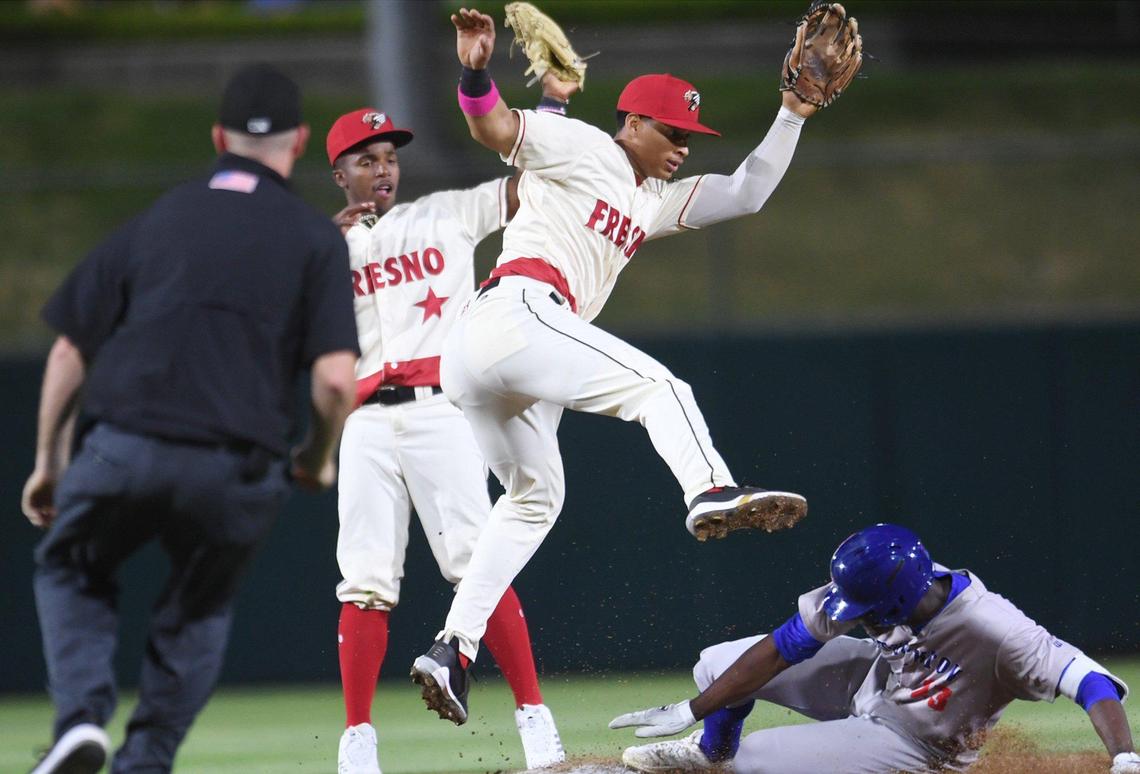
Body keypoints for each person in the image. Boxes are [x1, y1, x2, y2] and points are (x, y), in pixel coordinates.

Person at [411, 7, 817, 723]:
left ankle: (452, 648)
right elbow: (493, 128)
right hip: (518, 312)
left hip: (495, 352)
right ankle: (710, 489)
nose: (683, 146)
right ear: (631, 123)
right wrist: (475, 71)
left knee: (537, 498)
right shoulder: (585, 147)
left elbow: (748, 191)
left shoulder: (650, 200)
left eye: (691, 137)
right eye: (672, 131)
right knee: (660, 386)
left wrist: (793, 113)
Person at [20, 63, 358, 774]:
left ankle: (79, 719)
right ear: (299, 141)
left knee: (71, 569)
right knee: (197, 611)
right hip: (236, 467)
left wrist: (49, 463)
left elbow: (67, 352)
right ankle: (143, 763)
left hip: (124, 444)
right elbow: (335, 380)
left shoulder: (156, 219)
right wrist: (318, 456)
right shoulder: (313, 238)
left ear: (216, 137)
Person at [324, 76, 576, 774]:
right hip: (366, 423)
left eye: (391, 157)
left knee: (475, 560)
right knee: (364, 580)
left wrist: (550, 110)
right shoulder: (323, 250)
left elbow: (529, 187)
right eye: (367, 159)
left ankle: (534, 721)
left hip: (442, 409)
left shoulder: (443, 214)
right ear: (338, 172)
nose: (383, 169)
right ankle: (357, 745)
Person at [610, 523, 1140, 774]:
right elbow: (780, 648)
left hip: (921, 744)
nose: (853, 616)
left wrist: (1124, 759)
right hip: (874, 684)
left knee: (757, 763)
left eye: (864, 609)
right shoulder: (882, 583)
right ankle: (709, 753)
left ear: (897, 598)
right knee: (715, 666)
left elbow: (1090, 681)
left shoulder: (998, 631)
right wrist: (691, 710)